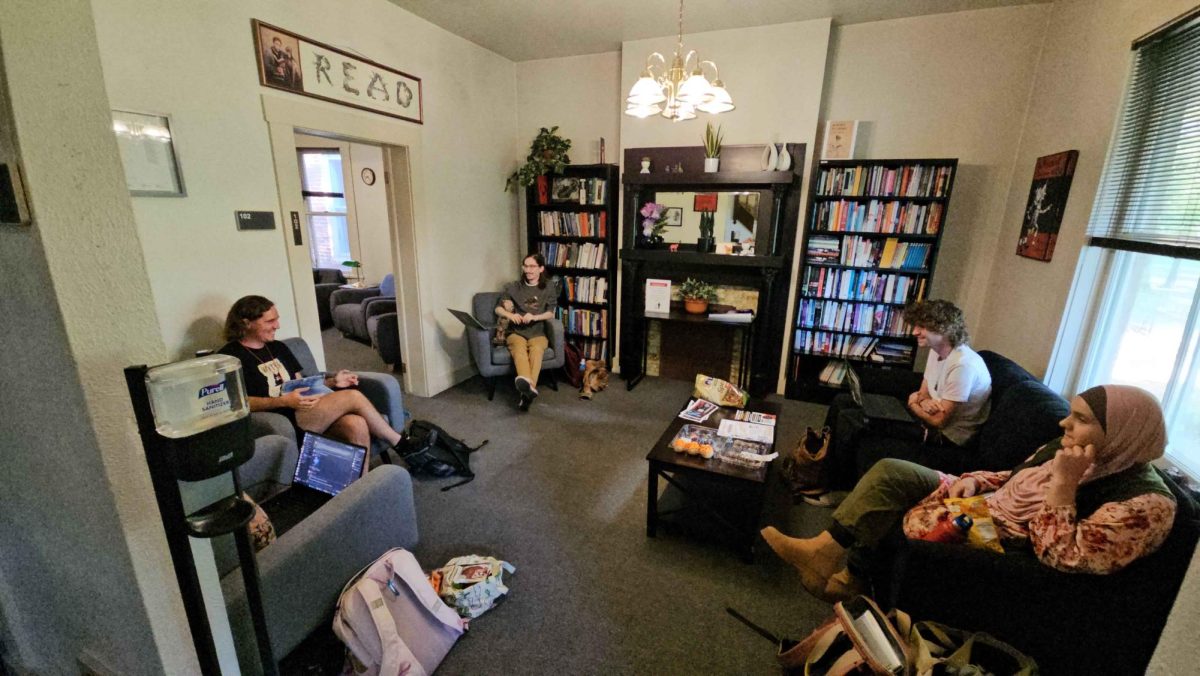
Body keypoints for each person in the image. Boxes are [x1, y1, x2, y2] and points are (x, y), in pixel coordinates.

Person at [762, 384, 1177, 603]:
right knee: (892, 472)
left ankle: (853, 572)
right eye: (1069, 413)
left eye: (1080, 419)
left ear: (1122, 433)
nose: (1064, 425)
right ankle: (828, 554)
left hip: (1005, 538)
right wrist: (977, 480)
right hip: (984, 500)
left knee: (916, 512)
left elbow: (1064, 559)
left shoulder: (1144, 504)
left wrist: (1064, 487)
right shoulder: (1069, 448)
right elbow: (1013, 476)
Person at [219, 295, 453, 476]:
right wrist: (282, 401)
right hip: (285, 418)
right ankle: (401, 443)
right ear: (246, 322)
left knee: (357, 424)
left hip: (310, 408)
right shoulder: (230, 358)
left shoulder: (278, 347)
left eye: (276, 319)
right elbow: (237, 403)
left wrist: (332, 382)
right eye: (270, 320)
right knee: (352, 397)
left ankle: (356, 490)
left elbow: (303, 383)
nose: (277, 325)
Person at [824, 299, 992, 491]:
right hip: (926, 420)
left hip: (943, 438)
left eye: (922, 327)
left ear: (944, 329)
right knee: (841, 401)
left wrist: (915, 404)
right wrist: (923, 402)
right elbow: (922, 393)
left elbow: (938, 421)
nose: (914, 332)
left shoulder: (963, 365)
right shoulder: (937, 351)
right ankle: (819, 463)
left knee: (851, 419)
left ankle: (836, 488)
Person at [495, 253, 559, 411]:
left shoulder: (549, 286)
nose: (528, 270)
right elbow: (498, 309)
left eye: (532, 266)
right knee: (519, 350)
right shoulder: (514, 287)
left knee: (537, 350)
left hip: (538, 332)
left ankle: (526, 392)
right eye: (526, 266)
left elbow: (551, 313)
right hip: (516, 332)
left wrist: (535, 316)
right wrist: (511, 315)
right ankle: (529, 391)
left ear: (541, 268)